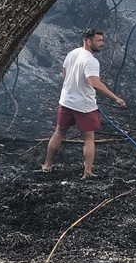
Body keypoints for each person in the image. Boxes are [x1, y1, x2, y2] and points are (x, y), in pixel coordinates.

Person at [41, 29, 126, 178]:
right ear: (88, 41)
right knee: (88, 138)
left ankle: (47, 165)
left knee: (59, 132)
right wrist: (115, 98)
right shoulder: (91, 61)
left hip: (66, 101)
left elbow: (64, 74)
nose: (102, 44)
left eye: (102, 40)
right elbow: (95, 83)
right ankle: (87, 172)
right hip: (84, 106)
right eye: (99, 41)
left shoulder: (72, 53)